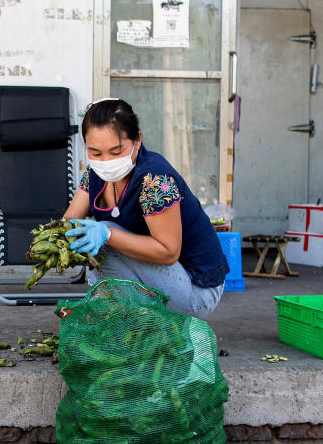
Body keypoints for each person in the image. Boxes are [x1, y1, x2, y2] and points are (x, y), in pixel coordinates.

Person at [62, 98, 229, 318]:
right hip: (158, 280)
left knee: (105, 234)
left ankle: (124, 314)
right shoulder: (95, 174)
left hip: (195, 291)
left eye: (116, 151)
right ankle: (120, 315)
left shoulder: (155, 180)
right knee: (97, 237)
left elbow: (169, 252)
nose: (106, 161)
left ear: (137, 140)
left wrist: (108, 235)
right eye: (95, 153)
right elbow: (69, 224)